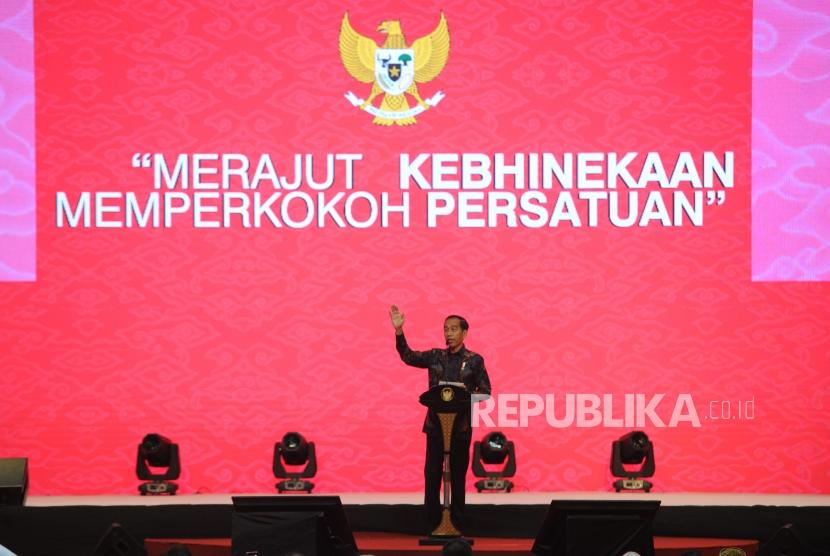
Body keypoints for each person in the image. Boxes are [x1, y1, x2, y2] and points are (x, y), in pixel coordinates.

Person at [389, 304, 492, 533]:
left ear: (465, 333)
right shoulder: (436, 356)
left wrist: (464, 398)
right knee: (432, 474)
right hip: (436, 426)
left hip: (461, 427)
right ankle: (433, 523)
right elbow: (408, 356)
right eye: (446, 329)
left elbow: (485, 391)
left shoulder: (475, 360)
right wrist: (399, 331)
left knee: (457, 475)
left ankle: (457, 524)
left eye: (454, 329)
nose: (448, 333)